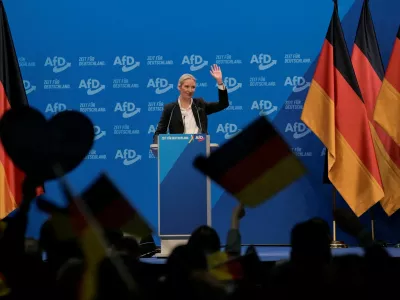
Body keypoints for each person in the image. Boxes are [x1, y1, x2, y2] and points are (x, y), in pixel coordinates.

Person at [152, 64, 229, 143]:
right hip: (177, 149)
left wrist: (219, 82)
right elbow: (159, 133)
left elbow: (223, 104)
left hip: (200, 146)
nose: (190, 90)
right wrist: (158, 147)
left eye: (193, 87)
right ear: (179, 87)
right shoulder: (170, 108)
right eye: (186, 86)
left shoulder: (200, 104)